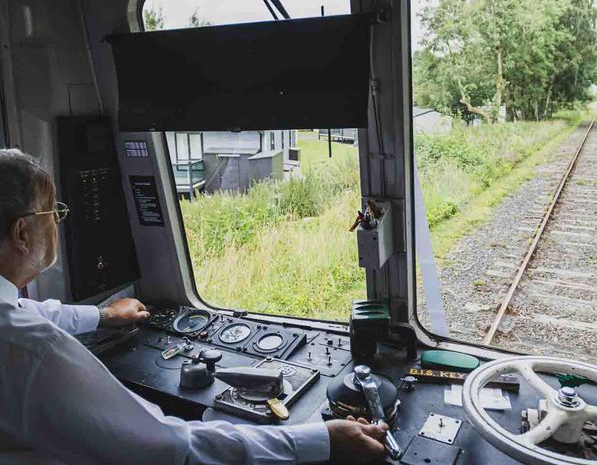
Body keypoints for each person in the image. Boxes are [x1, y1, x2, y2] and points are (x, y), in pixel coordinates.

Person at [0, 149, 388, 464]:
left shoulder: (18, 327)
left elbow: (28, 312)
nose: (58, 223)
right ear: (22, 233)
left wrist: (102, 314)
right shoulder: (36, 352)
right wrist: (323, 441)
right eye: (54, 213)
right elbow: (172, 447)